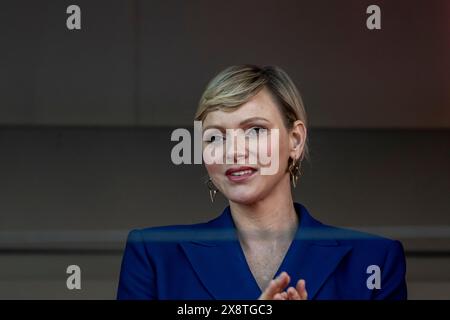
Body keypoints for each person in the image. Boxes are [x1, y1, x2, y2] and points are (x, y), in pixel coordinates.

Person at [117, 65, 407, 300]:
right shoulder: (155, 256)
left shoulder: (375, 261)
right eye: (215, 137)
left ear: (295, 140)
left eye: (255, 130)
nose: (233, 150)